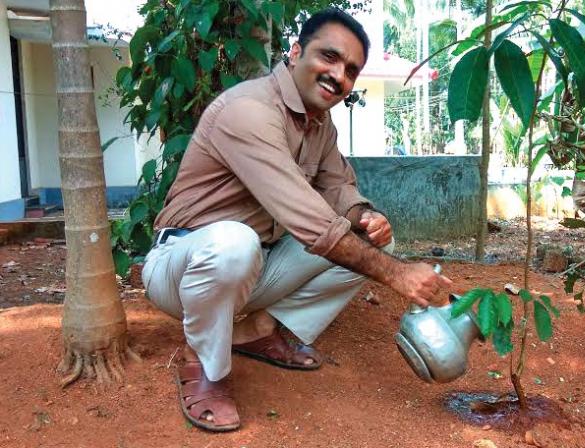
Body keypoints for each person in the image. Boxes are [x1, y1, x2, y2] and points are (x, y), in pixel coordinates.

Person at [141, 8, 452, 432]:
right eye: (329, 57)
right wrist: (397, 276)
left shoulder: (318, 125)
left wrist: (365, 215)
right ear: (295, 52)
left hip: (252, 268)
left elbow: (338, 188)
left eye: (351, 70)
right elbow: (311, 221)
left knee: (370, 242)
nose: (339, 76)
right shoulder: (248, 109)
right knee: (235, 243)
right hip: (182, 268)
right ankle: (206, 367)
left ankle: (257, 331)